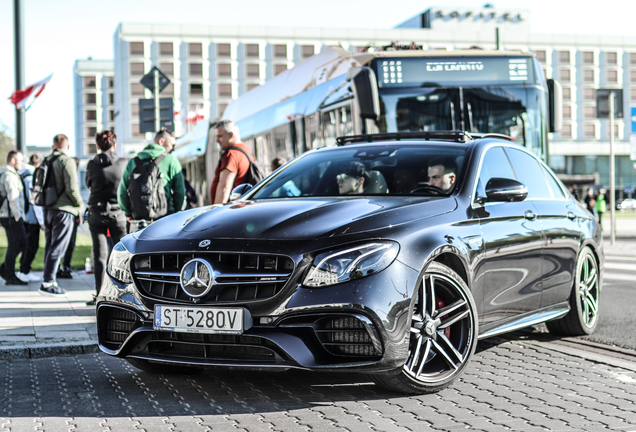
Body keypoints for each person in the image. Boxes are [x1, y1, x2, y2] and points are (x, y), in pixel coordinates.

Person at [86, 130, 128, 306]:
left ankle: (100, 294)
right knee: (123, 255)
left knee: (100, 254)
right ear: (115, 145)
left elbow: (89, 184)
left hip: (97, 212)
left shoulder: (91, 164)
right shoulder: (124, 163)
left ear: (97, 146)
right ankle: (123, 294)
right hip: (118, 213)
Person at [39, 134, 84, 296]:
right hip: (64, 209)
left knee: (50, 246)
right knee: (58, 247)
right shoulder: (67, 161)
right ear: (68, 146)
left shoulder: (47, 160)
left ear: (54, 145)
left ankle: (47, 279)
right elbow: (72, 187)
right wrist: (80, 205)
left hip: (48, 208)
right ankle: (48, 282)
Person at [118, 128, 185, 225]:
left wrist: (128, 213)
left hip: (138, 220)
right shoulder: (172, 161)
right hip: (165, 218)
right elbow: (180, 192)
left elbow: (122, 192)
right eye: (172, 145)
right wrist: (176, 211)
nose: (173, 148)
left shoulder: (133, 162)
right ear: (162, 141)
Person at [0, 150, 28, 286]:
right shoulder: (9, 176)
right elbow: (13, 198)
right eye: (20, 161)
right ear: (12, 161)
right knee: (16, 244)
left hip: (9, 215)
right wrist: (18, 216)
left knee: (20, 243)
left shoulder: (8, 173)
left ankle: (5, 269)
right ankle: (9, 275)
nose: (22, 164)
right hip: (12, 216)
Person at [16, 154, 45, 283]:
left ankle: (23, 269)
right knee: (32, 245)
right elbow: (35, 201)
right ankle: (25, 271)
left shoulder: (22, 175)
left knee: (26, 244)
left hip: (25, 215)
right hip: (32, 217)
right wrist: (42, 221)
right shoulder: (32, 177)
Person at [209, 120, 253, 204]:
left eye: (220, 136)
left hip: (232, 209)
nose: (216, 140)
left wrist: (216, 212)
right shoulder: (247, 150)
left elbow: (224, 187)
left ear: (231, 135)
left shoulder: (231, 154)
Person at [58, 156, 81, 279]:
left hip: (68, 213)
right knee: (66, 243)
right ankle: (63, 268)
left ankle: (63, 267)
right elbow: (72, 192)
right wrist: (80, 207)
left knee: (67, 243)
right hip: (70, 213)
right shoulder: (70, 177)